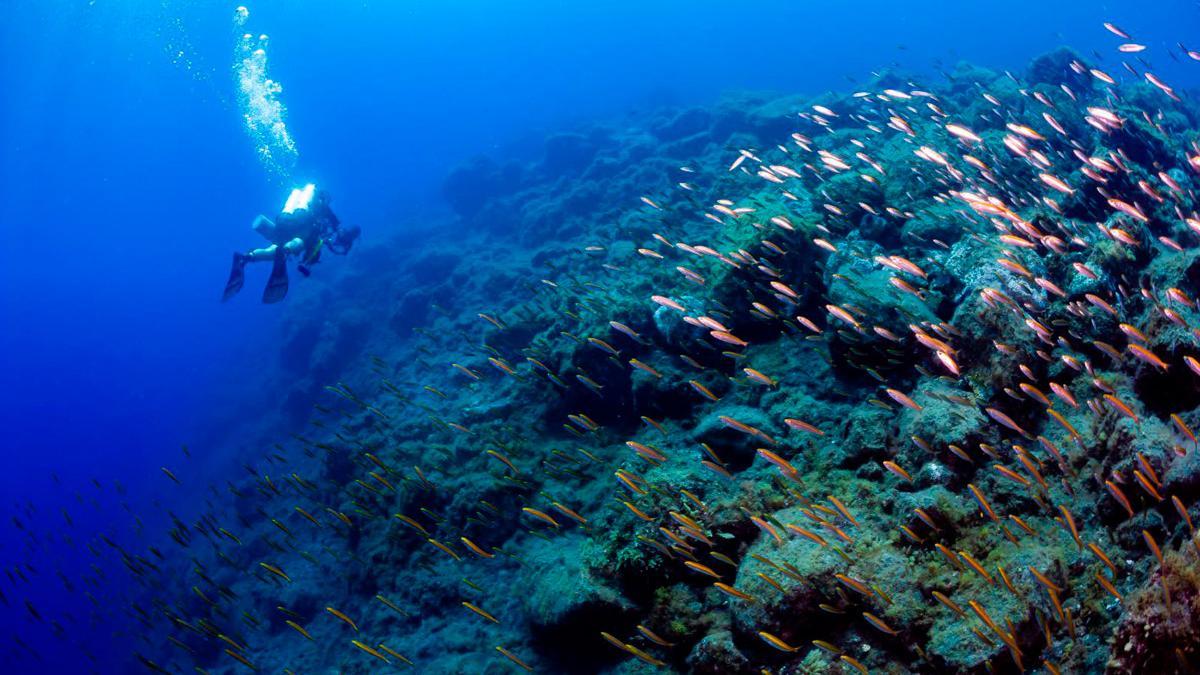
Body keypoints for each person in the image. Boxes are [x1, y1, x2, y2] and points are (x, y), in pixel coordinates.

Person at [222, 184, 361, 303]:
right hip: (301, 220)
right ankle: (285, 252)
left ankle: (246, 257)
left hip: (282, 219)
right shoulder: (323, 208)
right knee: (299, 241)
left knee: (275, 248)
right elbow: (331, 229)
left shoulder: (305, 203)